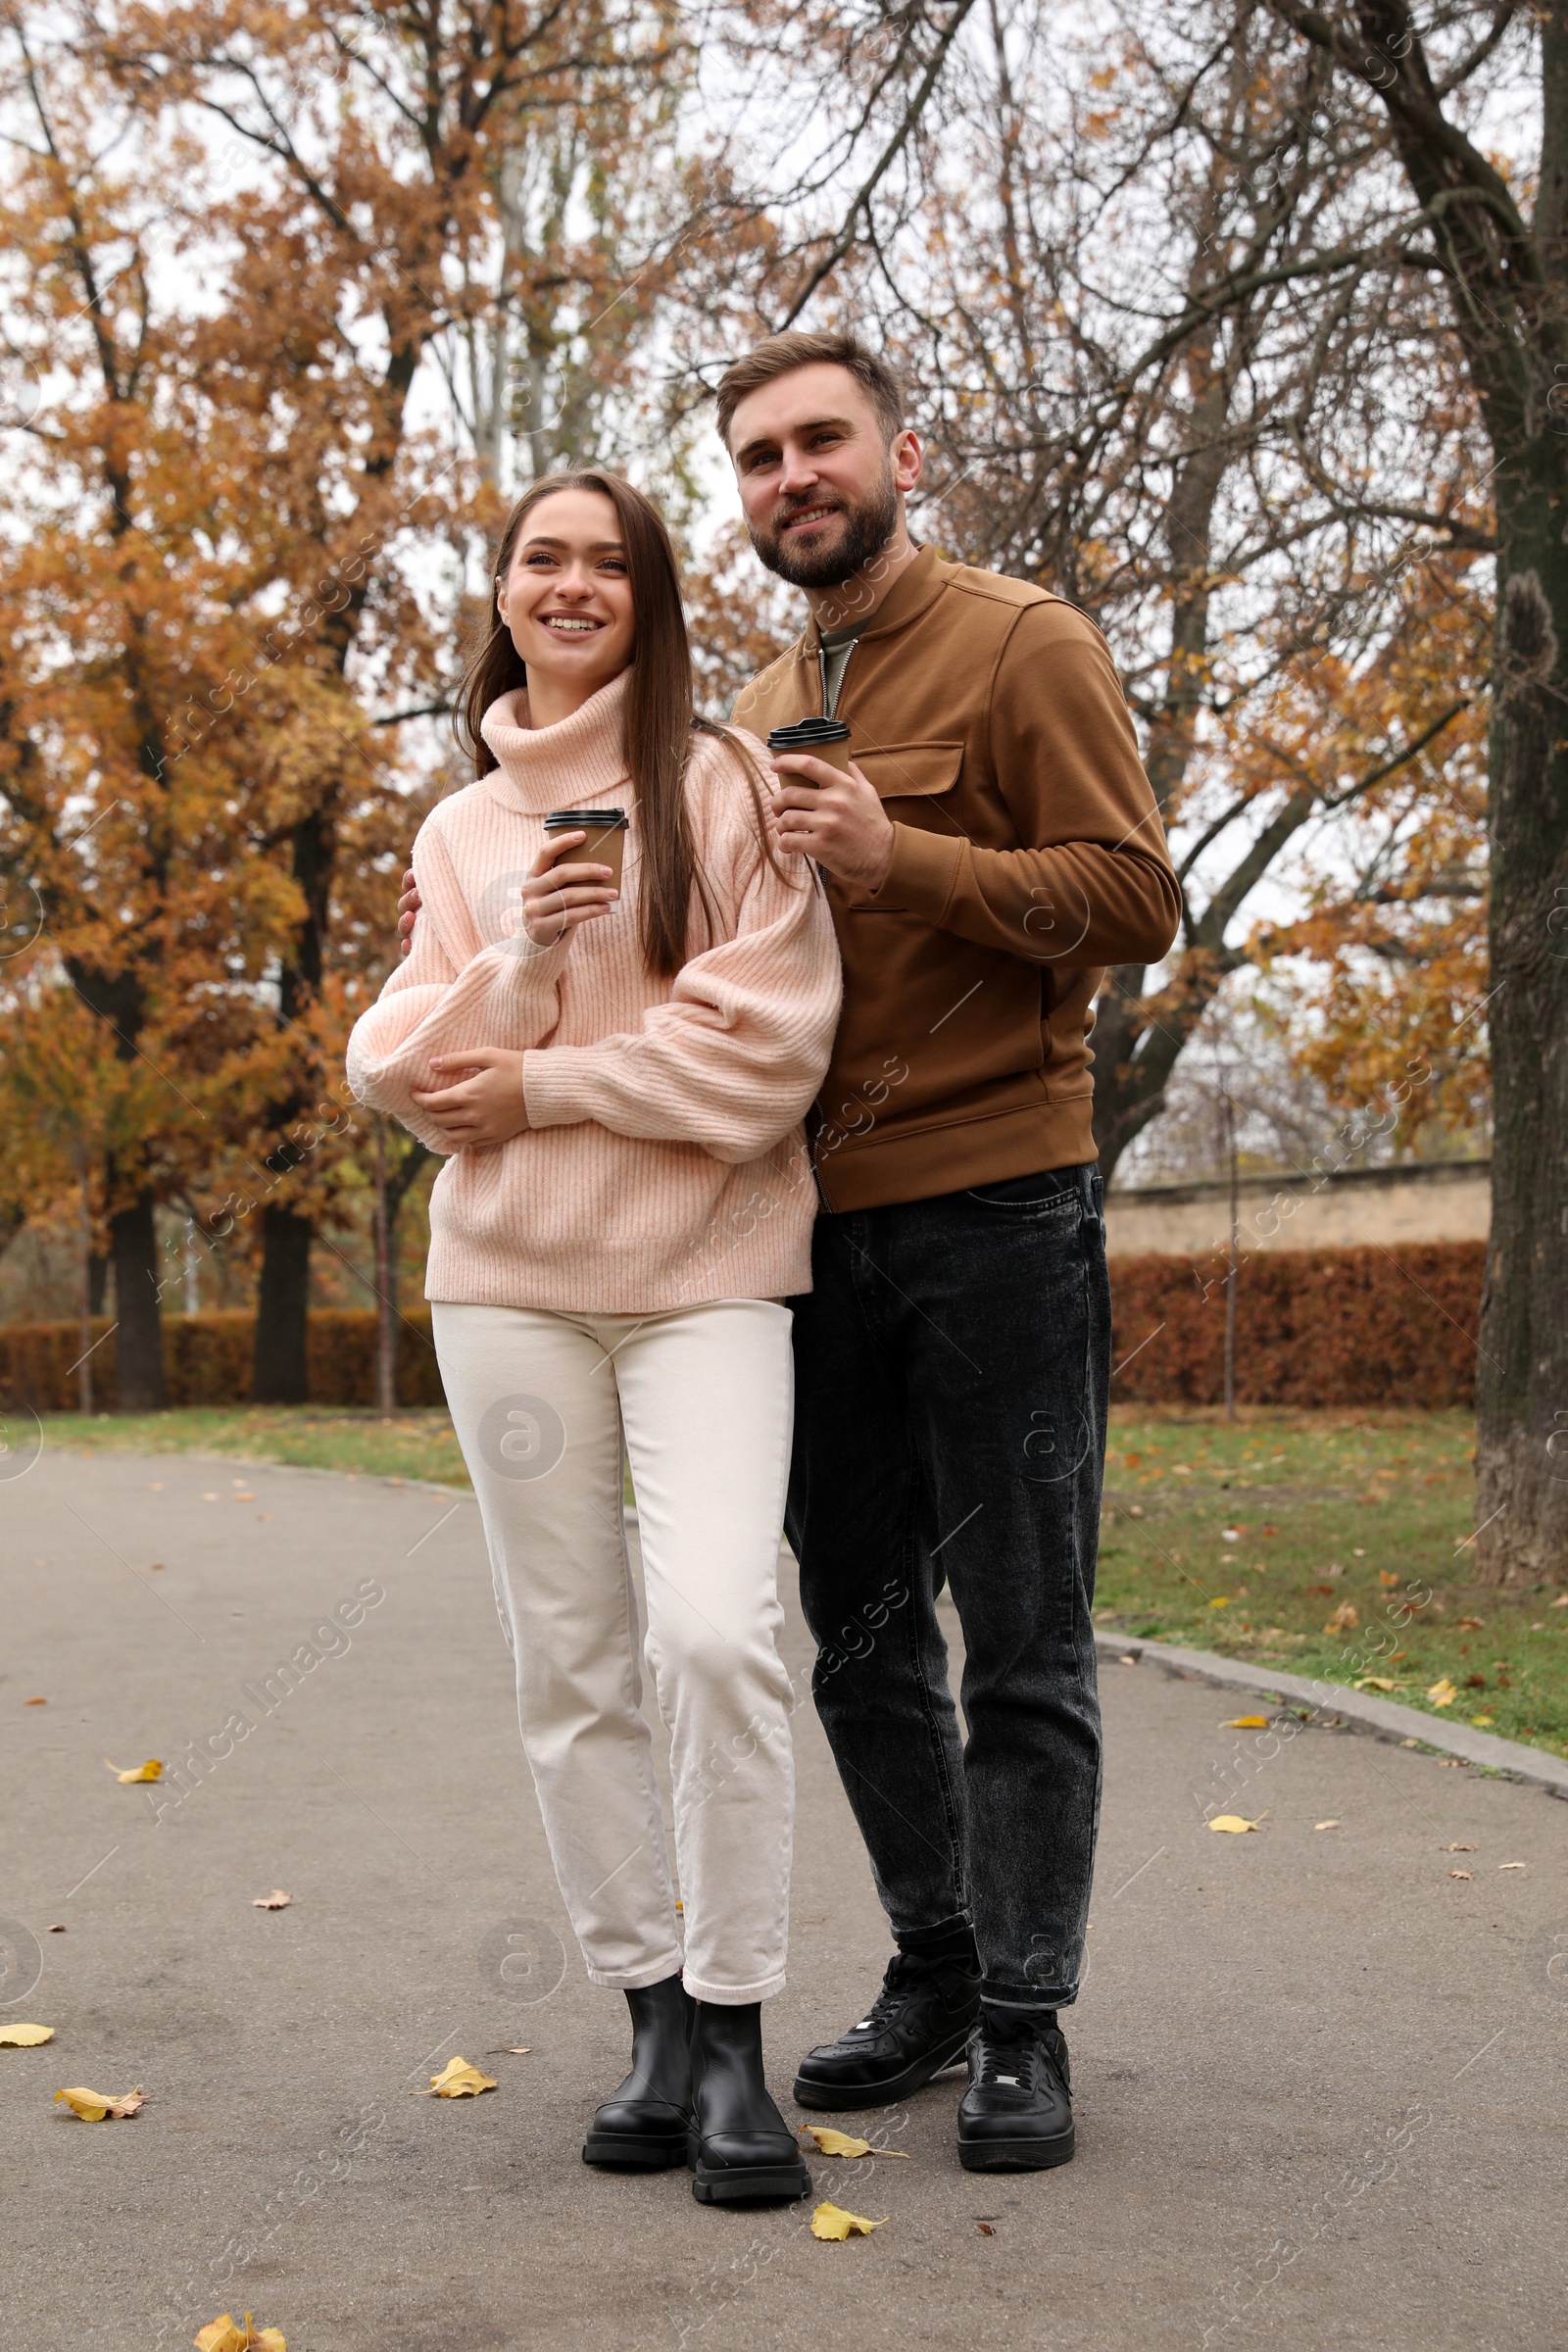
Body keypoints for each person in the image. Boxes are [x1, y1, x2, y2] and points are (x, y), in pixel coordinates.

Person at [714, 331, 1181, 2173]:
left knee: (1026, 1636)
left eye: (819, 440)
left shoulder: (1023, 640)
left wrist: (909, 861)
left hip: (999, 1203)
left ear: (901, 451)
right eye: (757, 456)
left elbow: (1136, 896)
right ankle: (932, 1959)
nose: (790, 476)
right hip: (802, 1233)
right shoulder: (748, 704)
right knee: (855, 1633)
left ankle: (1025, 2020)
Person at [350, 467, 841, 2206]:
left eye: (606, 563)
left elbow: (762, 1058)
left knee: (714, 1634)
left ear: (648, 595)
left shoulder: (719, 787)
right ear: (500, 590)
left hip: (704, 1281)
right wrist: (512, 970)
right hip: (507, 1296)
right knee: (570, 1666)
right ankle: (649, 2022)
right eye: (539, 559)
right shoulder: (462, 831)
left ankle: (736, 2036)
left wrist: (543, 1075)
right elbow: (399, 1078)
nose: (571, 586)